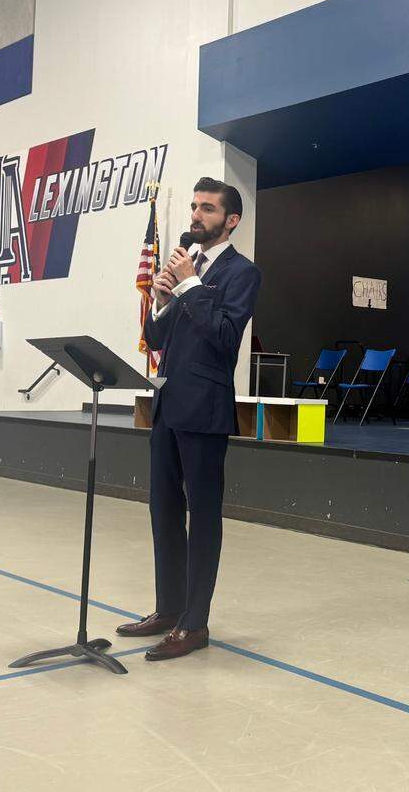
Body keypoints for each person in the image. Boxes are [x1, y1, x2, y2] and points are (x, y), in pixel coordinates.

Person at [117, 176, 261, 659]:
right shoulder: (186, 268)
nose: (196, 215)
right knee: (162, 510)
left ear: (231, 220)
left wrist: (191, 286)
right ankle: (169, 608)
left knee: (202, 516)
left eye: (207, 208)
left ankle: (195, 624)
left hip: (205, 410)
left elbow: (225, 338)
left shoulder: (242, 273)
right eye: (195, 206)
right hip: (168, 406)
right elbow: (159, 341)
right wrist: (161, 304)